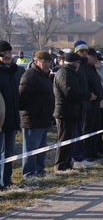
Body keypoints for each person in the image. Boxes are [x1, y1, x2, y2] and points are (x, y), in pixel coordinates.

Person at [53, 53, 96, 172]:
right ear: (74, 63)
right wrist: (87, 95)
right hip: (64, 112)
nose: (79, 66)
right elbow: (70, 92)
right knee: (64, 140)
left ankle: (67, 163)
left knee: (70, 140)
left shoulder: (70, 73)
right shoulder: (64, 74)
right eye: (78, 63)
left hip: (71, 112)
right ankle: (61, 165)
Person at [18, 50, 55, 179]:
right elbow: (21, 99)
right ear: (36, 61)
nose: (47, 64)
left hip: (44, 119)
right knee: (31, 149)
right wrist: (34, 111)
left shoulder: (44, 76)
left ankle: (40, 170)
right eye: (44, 62)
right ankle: (29, 174)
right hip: (32, 119)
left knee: (41, 149)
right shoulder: (30, 76)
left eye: (49, 62)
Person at [0, 41, 25, 189]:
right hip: (0, 119)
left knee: (8, 153)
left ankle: (7, 181)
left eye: (10, 53)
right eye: (5, 53)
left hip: (12, 118)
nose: (8, 56)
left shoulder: (14, 71)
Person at [82, 48, 103, 161]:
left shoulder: (93, 69)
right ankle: (87, 152)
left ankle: (93, 150)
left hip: (96, 104)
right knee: (88, 129)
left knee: (96, 128)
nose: (96, 58)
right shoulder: (85, 69)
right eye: (94, 56)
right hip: (89, 104)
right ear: (88, 57)